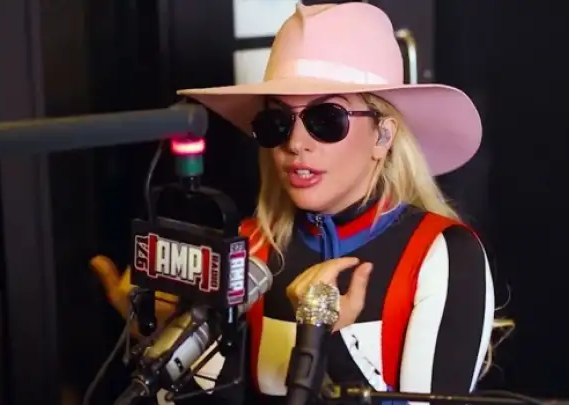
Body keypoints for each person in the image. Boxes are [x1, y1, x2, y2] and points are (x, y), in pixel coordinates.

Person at [91, 3, 512, 405]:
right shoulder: (247, 252)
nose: (295, 143)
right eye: (276, 121)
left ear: (383, 136)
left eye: (326, 119)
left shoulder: (442, 255)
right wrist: (162, 342)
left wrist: (328, 342)